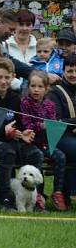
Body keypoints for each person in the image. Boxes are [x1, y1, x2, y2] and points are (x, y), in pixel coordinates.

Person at [0, 57, 35, 210]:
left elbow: (19, 124)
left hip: (9, 139)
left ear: (13, 77)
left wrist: (23, 134)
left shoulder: (15, 98)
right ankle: (4, 198)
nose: (3, 81)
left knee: (34, 153)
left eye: (7, 77)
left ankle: (34, 199)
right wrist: (4, 131)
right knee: (8, 152)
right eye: (0, 77)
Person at [19, 70, 67, 211]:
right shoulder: (25, 103)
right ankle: (38, 194)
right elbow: (26, 124)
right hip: (30, 143)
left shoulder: (50, 105)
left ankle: (57, 192)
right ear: (28, 87)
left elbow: (51, 124)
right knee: (37, 156)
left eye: (40, 87)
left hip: (46, 143)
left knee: (61, 156)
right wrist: (41, 125)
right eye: (33, 86)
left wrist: (53, 127)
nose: (36, 89)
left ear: (46, 89)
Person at [46, 53, 76, 203]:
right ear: (63, 71)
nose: (73, 75)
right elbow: (56, 121)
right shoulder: (55, 92)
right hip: (60, 137)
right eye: (70, 71)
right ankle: (68, 193)